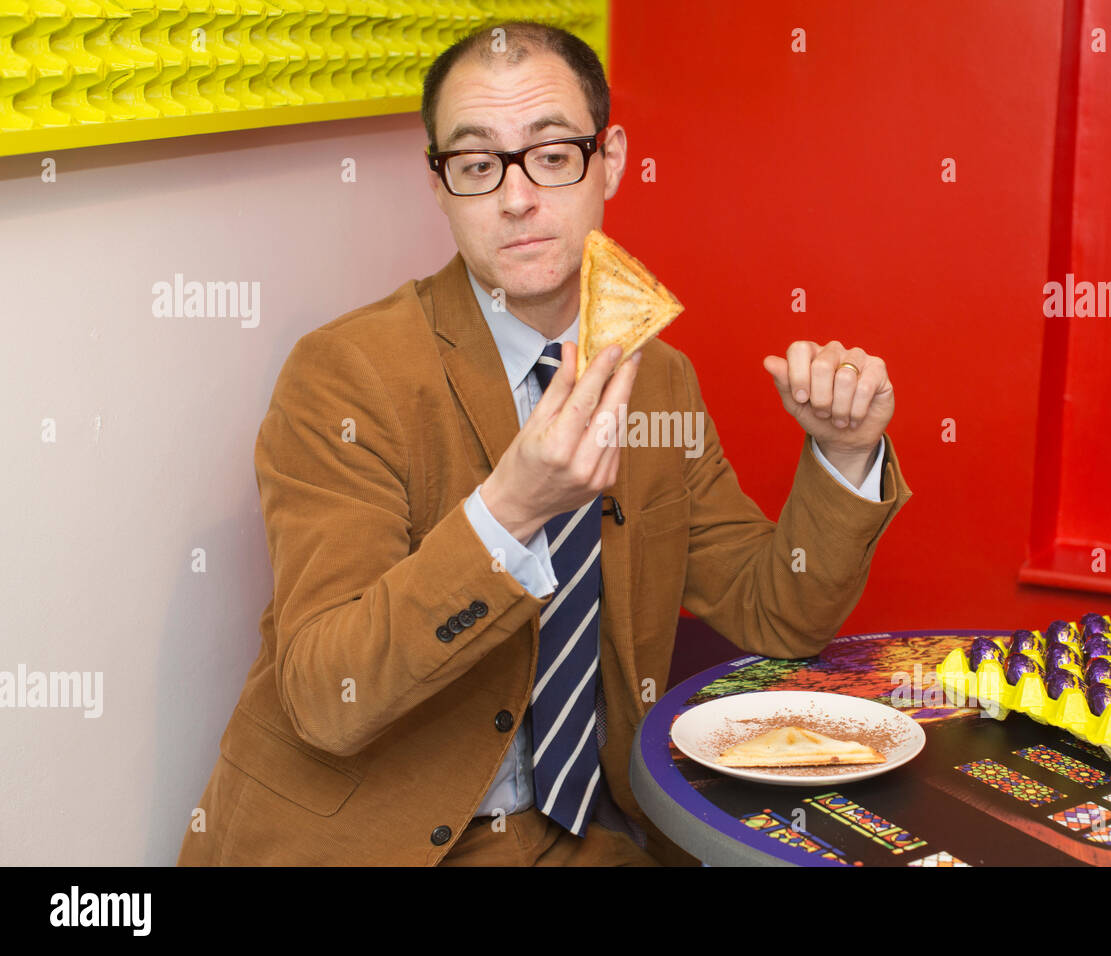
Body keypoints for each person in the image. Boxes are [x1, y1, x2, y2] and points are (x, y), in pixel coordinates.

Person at [177, 19, 912, 867]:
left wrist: (843, 456)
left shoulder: (654, 377)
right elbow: (327, 697)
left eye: (553, 153)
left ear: (612, 161)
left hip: (580, 835)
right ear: (440, 184)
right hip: (367, 844)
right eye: (478, 163)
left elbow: (775, 611)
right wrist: (509, 511)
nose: (517, 197)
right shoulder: (346, 376)